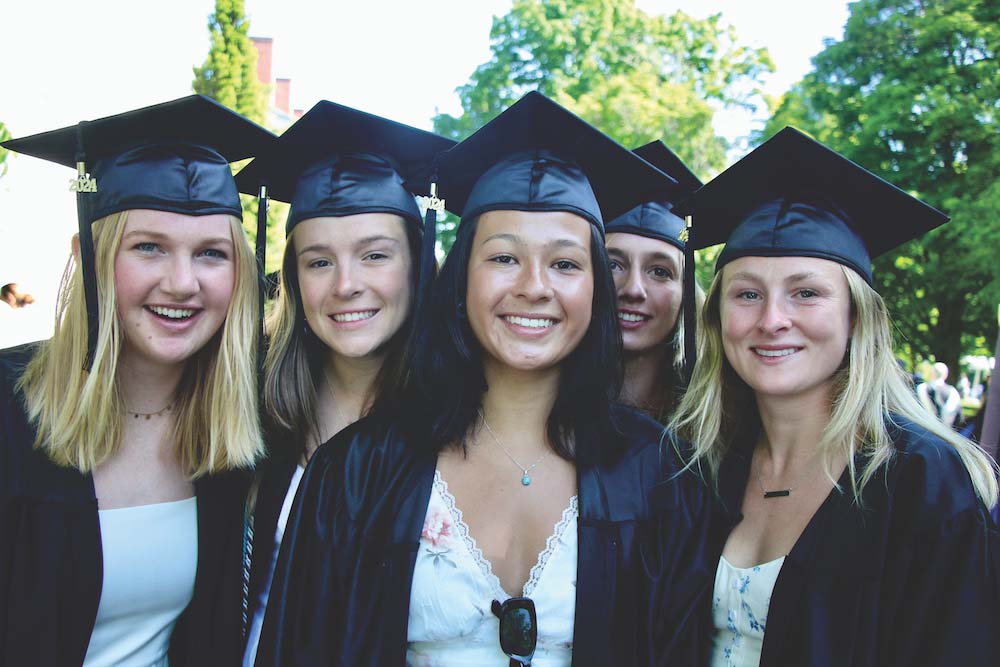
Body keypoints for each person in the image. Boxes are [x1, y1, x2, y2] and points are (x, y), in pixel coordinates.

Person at [256, 92, 712, 666]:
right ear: (460, 279)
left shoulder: (660, 475)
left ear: (597, 288)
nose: (534, 287)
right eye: (503, 258)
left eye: (565, 264)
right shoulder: (355, 470)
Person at [670, 127, 1000, 666]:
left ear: (856, 318)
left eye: (806, 293)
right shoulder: (706, 466)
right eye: (747, 294)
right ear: (717, 318)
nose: (772, 320)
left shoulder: (921, 481)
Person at [0, 95, 274, 666]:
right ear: (88, 257)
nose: (182, 282)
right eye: (149, 247)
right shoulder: (9, 408)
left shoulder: (240, 432)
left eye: (211, 253)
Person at [232, 100, 453, 666]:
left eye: (375, 255)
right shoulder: (252, 408)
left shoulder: (459, 419)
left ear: (417, 264)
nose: (345, 285)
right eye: (318, 262)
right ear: (293, 276)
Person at [605, 140, 703, 421]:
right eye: (613, 265)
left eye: (660, 271)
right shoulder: (539, 413)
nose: (633, 289)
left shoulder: (716, 425)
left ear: (686, 292)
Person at [916, 361, 962, 427]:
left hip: (921, 428)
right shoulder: (953, 392)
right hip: (945, 430)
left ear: (932, 373)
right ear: (946, 375)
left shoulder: (921, 388)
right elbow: (958, 418)